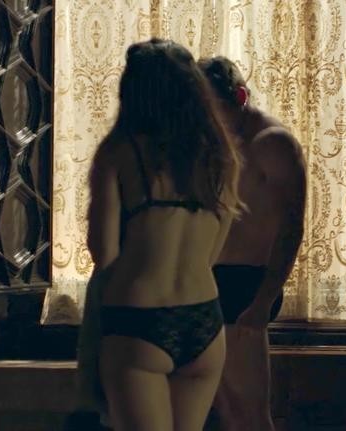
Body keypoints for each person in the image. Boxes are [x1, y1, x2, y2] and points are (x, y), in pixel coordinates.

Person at [82, 39, 244, 431]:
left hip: (138, 320)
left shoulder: (118, 152)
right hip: (204, 321)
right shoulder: (218, 154)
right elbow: (212, 254)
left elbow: (104, 253)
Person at [197, 56, 307, 431]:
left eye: (215, 110)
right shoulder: (217, 145)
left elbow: (291, 228)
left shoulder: (273, 143)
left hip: (245, 286)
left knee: (251, 415)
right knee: (226, 413)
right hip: (210, 284)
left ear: (240, 97)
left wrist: (262, 301)